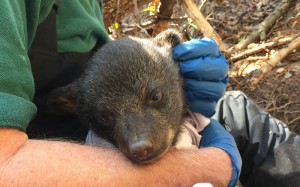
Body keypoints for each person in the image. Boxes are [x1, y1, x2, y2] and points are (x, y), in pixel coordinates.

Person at [0, 1, 298, 187]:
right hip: (57, 155)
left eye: (154, 97)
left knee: (239, 110)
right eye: (107, 116)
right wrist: (217, 164)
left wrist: (179, 69)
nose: (138, 143)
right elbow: (6, 166)